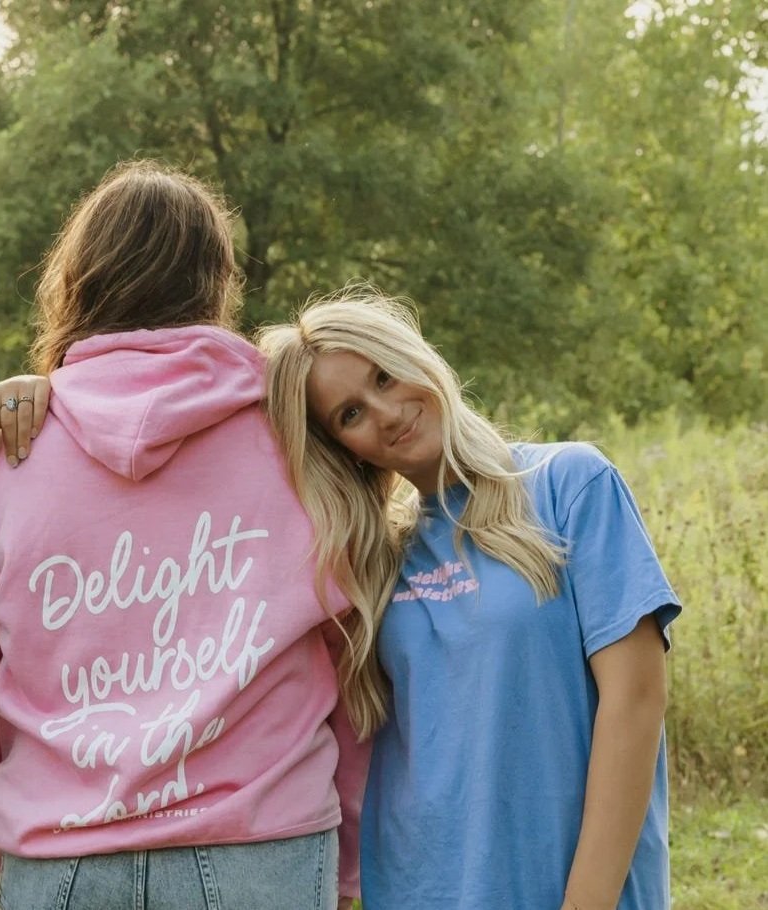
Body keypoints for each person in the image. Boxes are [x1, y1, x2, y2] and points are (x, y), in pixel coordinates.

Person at [0, 161, 367, 910]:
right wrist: (352, 857)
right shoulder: (297, 442)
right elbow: (351, 655)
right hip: (260, 845)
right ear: (216, 279)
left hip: (61, 849)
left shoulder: (7, 454)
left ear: (79, 277)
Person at [256, 285, 680, 910]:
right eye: (350, 413)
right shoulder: (375, 563)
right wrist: (58, 396)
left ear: (416, 356)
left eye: (385, 375)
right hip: (417, 888)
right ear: (341, 448)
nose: (386, 411)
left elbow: (637, 699)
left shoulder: (570, 484)